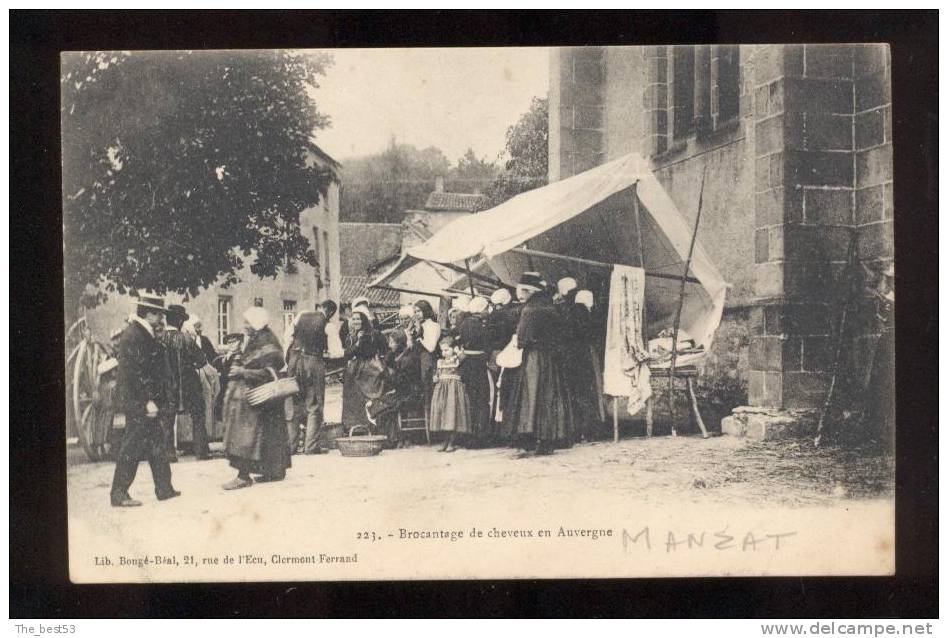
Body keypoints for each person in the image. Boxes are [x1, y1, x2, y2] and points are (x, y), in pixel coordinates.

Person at [109, 295, 179, 507]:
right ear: (147, 313)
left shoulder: (139, 333)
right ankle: (119, 493)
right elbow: (137, 374)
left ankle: (164, 488)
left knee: (157, 442)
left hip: (142, 401)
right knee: (132, 445)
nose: (161, 319)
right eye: (158, 314)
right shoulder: (135, 335)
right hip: (139, 402)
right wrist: (148, 400)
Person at [221, 307, 291, 489]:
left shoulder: (266, 342)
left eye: (247, 322)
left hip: (260, 397)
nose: (244, 326)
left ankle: (243, 476)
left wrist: (243, 371)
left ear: (256, 323)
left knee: (245, 436)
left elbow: (270, 372)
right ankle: (273, 472)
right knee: (268, 435)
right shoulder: (258, 339)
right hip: (263, 400)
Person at [506, 272, 574, 454]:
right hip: (551, 357)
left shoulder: (529, 310)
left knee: (531, 395)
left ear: (528, 291)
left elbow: (521, 340)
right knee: (549, 396)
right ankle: (547, 440)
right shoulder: (551, 307)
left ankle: (529, 437)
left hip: (534, 358)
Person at [286, 299, 337, 455]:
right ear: (330, 312)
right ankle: (311, 447)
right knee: (314, 404)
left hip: (294, 362)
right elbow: (337, 352)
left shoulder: (301, 316)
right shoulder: (328, 325)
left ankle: (291, 446)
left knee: (294, 404)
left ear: (319, 307)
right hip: (313, 362)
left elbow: (288, 337)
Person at [160, 304, 210, 460]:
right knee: (198, 414)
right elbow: (202, 360)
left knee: (167, 418)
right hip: (189, 383)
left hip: (166, 383)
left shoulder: (159, 338)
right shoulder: (187, 339)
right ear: (180, 321)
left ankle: (168, 454)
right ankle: (201, 451)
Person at [560, 285, 605, 441]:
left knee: (573, 395)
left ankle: (576, 430)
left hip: (570, 359)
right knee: (587, 393)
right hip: (584, 357)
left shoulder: (568, 313)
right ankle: (590, 429)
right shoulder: (586, 314)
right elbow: (592, 336)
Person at [341, 309, 388, 433]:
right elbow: (348, 354)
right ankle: (357, 428)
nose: (356, 321)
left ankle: (374, 427)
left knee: (371, 397)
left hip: (370, 369)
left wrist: (379, 361)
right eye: (354, 319)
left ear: (364, 320)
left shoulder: (374, 334)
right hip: (357, 369)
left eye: (358, 319)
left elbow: (384, 350)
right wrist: (356, 344)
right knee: (355, 398)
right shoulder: (351, 337)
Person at [456, 296, 492, 444]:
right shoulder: (481, 326)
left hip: (467, 364)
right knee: (481, 399)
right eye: (485, 309)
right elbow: (487, 345)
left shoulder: (464, 323)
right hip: (478, 364)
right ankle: (480, 436)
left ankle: (468, 435)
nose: (487, 312)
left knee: (469, 399)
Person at [487, 288, 523, 437]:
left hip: (497, 354)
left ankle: (498, 430)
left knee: (498, 392)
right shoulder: (514, 313)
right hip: (511, 353)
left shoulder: (494, 316)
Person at [429, 335, 472, 452]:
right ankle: (445, 440)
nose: (444, 353)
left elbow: (463, 356)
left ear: (453, 349)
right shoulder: (440, 362)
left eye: (447, 349)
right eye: (442, 350)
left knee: (452, 414)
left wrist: (457, 349)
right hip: (441, 390)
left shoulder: (457, 360)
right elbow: (437, 373)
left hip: (453, 391)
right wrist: (435, 377)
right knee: (442, 413)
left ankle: (452, 441)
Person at [412, 300, 441, 400]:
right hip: (419, 360)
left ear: (425, 310)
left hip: (428, 360)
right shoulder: (420, 326)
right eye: (415, 312)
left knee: (428, 389)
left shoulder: (434, 326)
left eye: (419, 311)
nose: (417, 314)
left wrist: (420, 339)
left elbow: (431, 347)